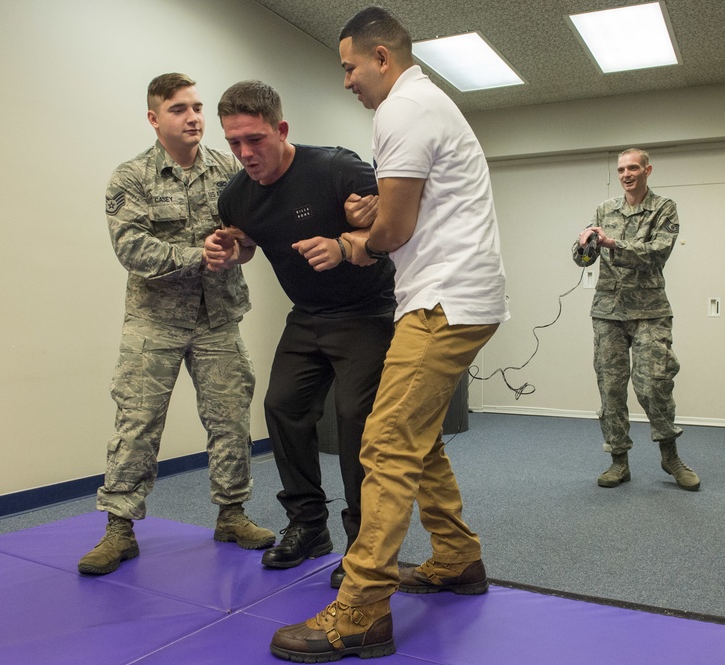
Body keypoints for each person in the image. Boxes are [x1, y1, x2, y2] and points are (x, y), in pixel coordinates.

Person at [268, 7, 510, 661]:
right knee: (419, 437)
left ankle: (363, 609)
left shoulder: (402, 110)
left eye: (348, 66)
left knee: (384, 445)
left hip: (444, 301)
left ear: (381, 58)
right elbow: (414, 208)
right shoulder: (424, 104)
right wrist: (378, 211)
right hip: (458, 295)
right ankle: (458, 558)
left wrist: (353, 240)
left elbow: (393, 235)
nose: (345, 79)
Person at [77, 73, 274, 576]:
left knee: (231, 419)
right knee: (137, 425)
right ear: (154, 119)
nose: (194, 118)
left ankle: (232, 513)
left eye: (197, 107)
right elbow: (131, 249)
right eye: (180, 109)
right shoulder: (131, 177)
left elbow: (250, 236)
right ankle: (119, 528)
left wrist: (239, 247)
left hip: (218, 318)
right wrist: (198, 254)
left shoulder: (230, 169)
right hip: (154, 323)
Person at [202, 80, 395, 589]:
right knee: (282, 407)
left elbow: (392, 229)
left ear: (281, 129)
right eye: (234, 143)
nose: (246, 153)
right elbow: (246, 244)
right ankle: (309, 526)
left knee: (356, 420)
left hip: (366, 310)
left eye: (256, 139)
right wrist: (230, 250)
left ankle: (363, 544)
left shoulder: (337, 168)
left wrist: (344, 241)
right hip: (307, 314)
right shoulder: (236, 196)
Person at [571, 148, 700, 492]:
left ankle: (670, 456)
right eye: (621, 169)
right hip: (608, 312)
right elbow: (582, 259)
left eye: (633, 168)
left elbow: (657, 252)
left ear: (647, 170)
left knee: (654, 384)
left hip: (650, 311)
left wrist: (613, 243)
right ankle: (618, 462)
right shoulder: (605, 209)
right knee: (611, 389)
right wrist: (585, 245)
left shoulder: (664, 208)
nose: (626, 174)